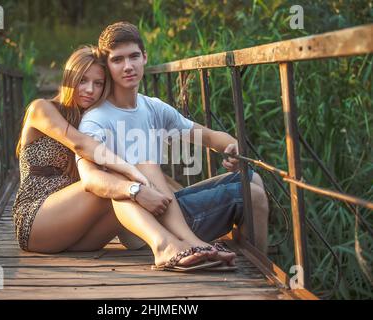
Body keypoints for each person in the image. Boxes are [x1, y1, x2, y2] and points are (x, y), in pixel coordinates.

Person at [11, 45, 220, 271]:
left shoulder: (91, 119)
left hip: (76, 235)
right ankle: (167, 247)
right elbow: (80, 144)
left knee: (135, 175)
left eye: (98, 83)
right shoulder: (42, 108)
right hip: (37, 222)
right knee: (115, 180)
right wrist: (132, 174)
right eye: (83, 80)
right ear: (69, 78)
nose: (90, 89)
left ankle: (189, 244)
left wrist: (145, 178)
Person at [76, 22, 269, 262]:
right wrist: (135, 190)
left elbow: (208, 136)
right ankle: (256, 268)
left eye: (134, 56)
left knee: (251, 177)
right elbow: (90, 177)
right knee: (253, 195)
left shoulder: (152, 107)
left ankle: (243, 254)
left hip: (165, 205)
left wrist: (232, 147)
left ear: (145, 57)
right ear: (107, 66)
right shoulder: (96, 119)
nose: (128, 66)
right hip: (140, 221)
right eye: (118, 60)